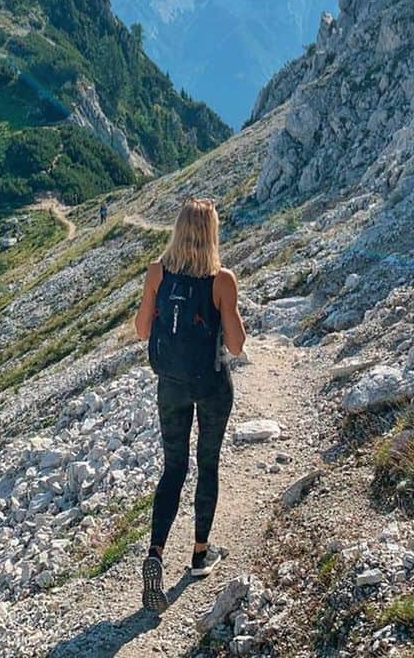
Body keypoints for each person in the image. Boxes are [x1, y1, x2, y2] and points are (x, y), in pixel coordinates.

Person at [133, 197, 246, 613]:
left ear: (178, 230)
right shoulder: (222, 280)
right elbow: (235, 345)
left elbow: (142, 329)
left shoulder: (156, 273)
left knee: (174, 468)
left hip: (171, 386)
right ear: (212, 233)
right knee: (208, 463)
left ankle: (156, 554)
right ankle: (200, 554)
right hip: (212, 385)